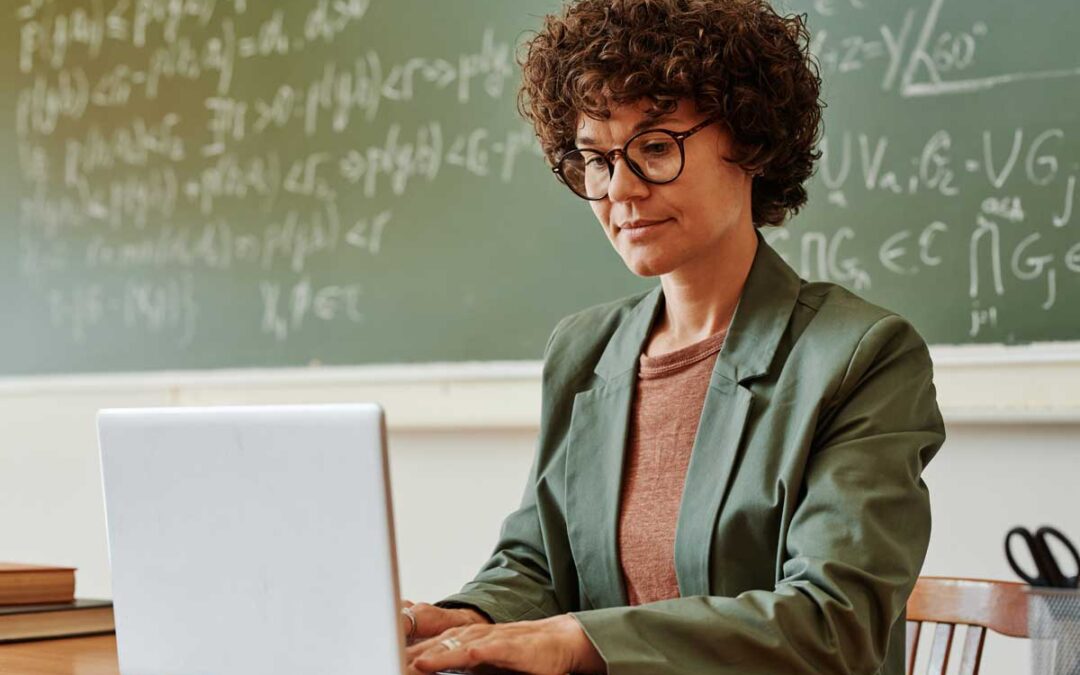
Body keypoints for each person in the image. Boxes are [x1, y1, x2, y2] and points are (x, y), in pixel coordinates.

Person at [402, 1, 945, 673]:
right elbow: (539, 560)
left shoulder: (861, 356)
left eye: (655, 147)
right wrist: (468, 618)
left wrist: (578, 639)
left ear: (750, 141)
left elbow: (832, 621)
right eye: (596, 159)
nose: (621, 188)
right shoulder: (585, 350)